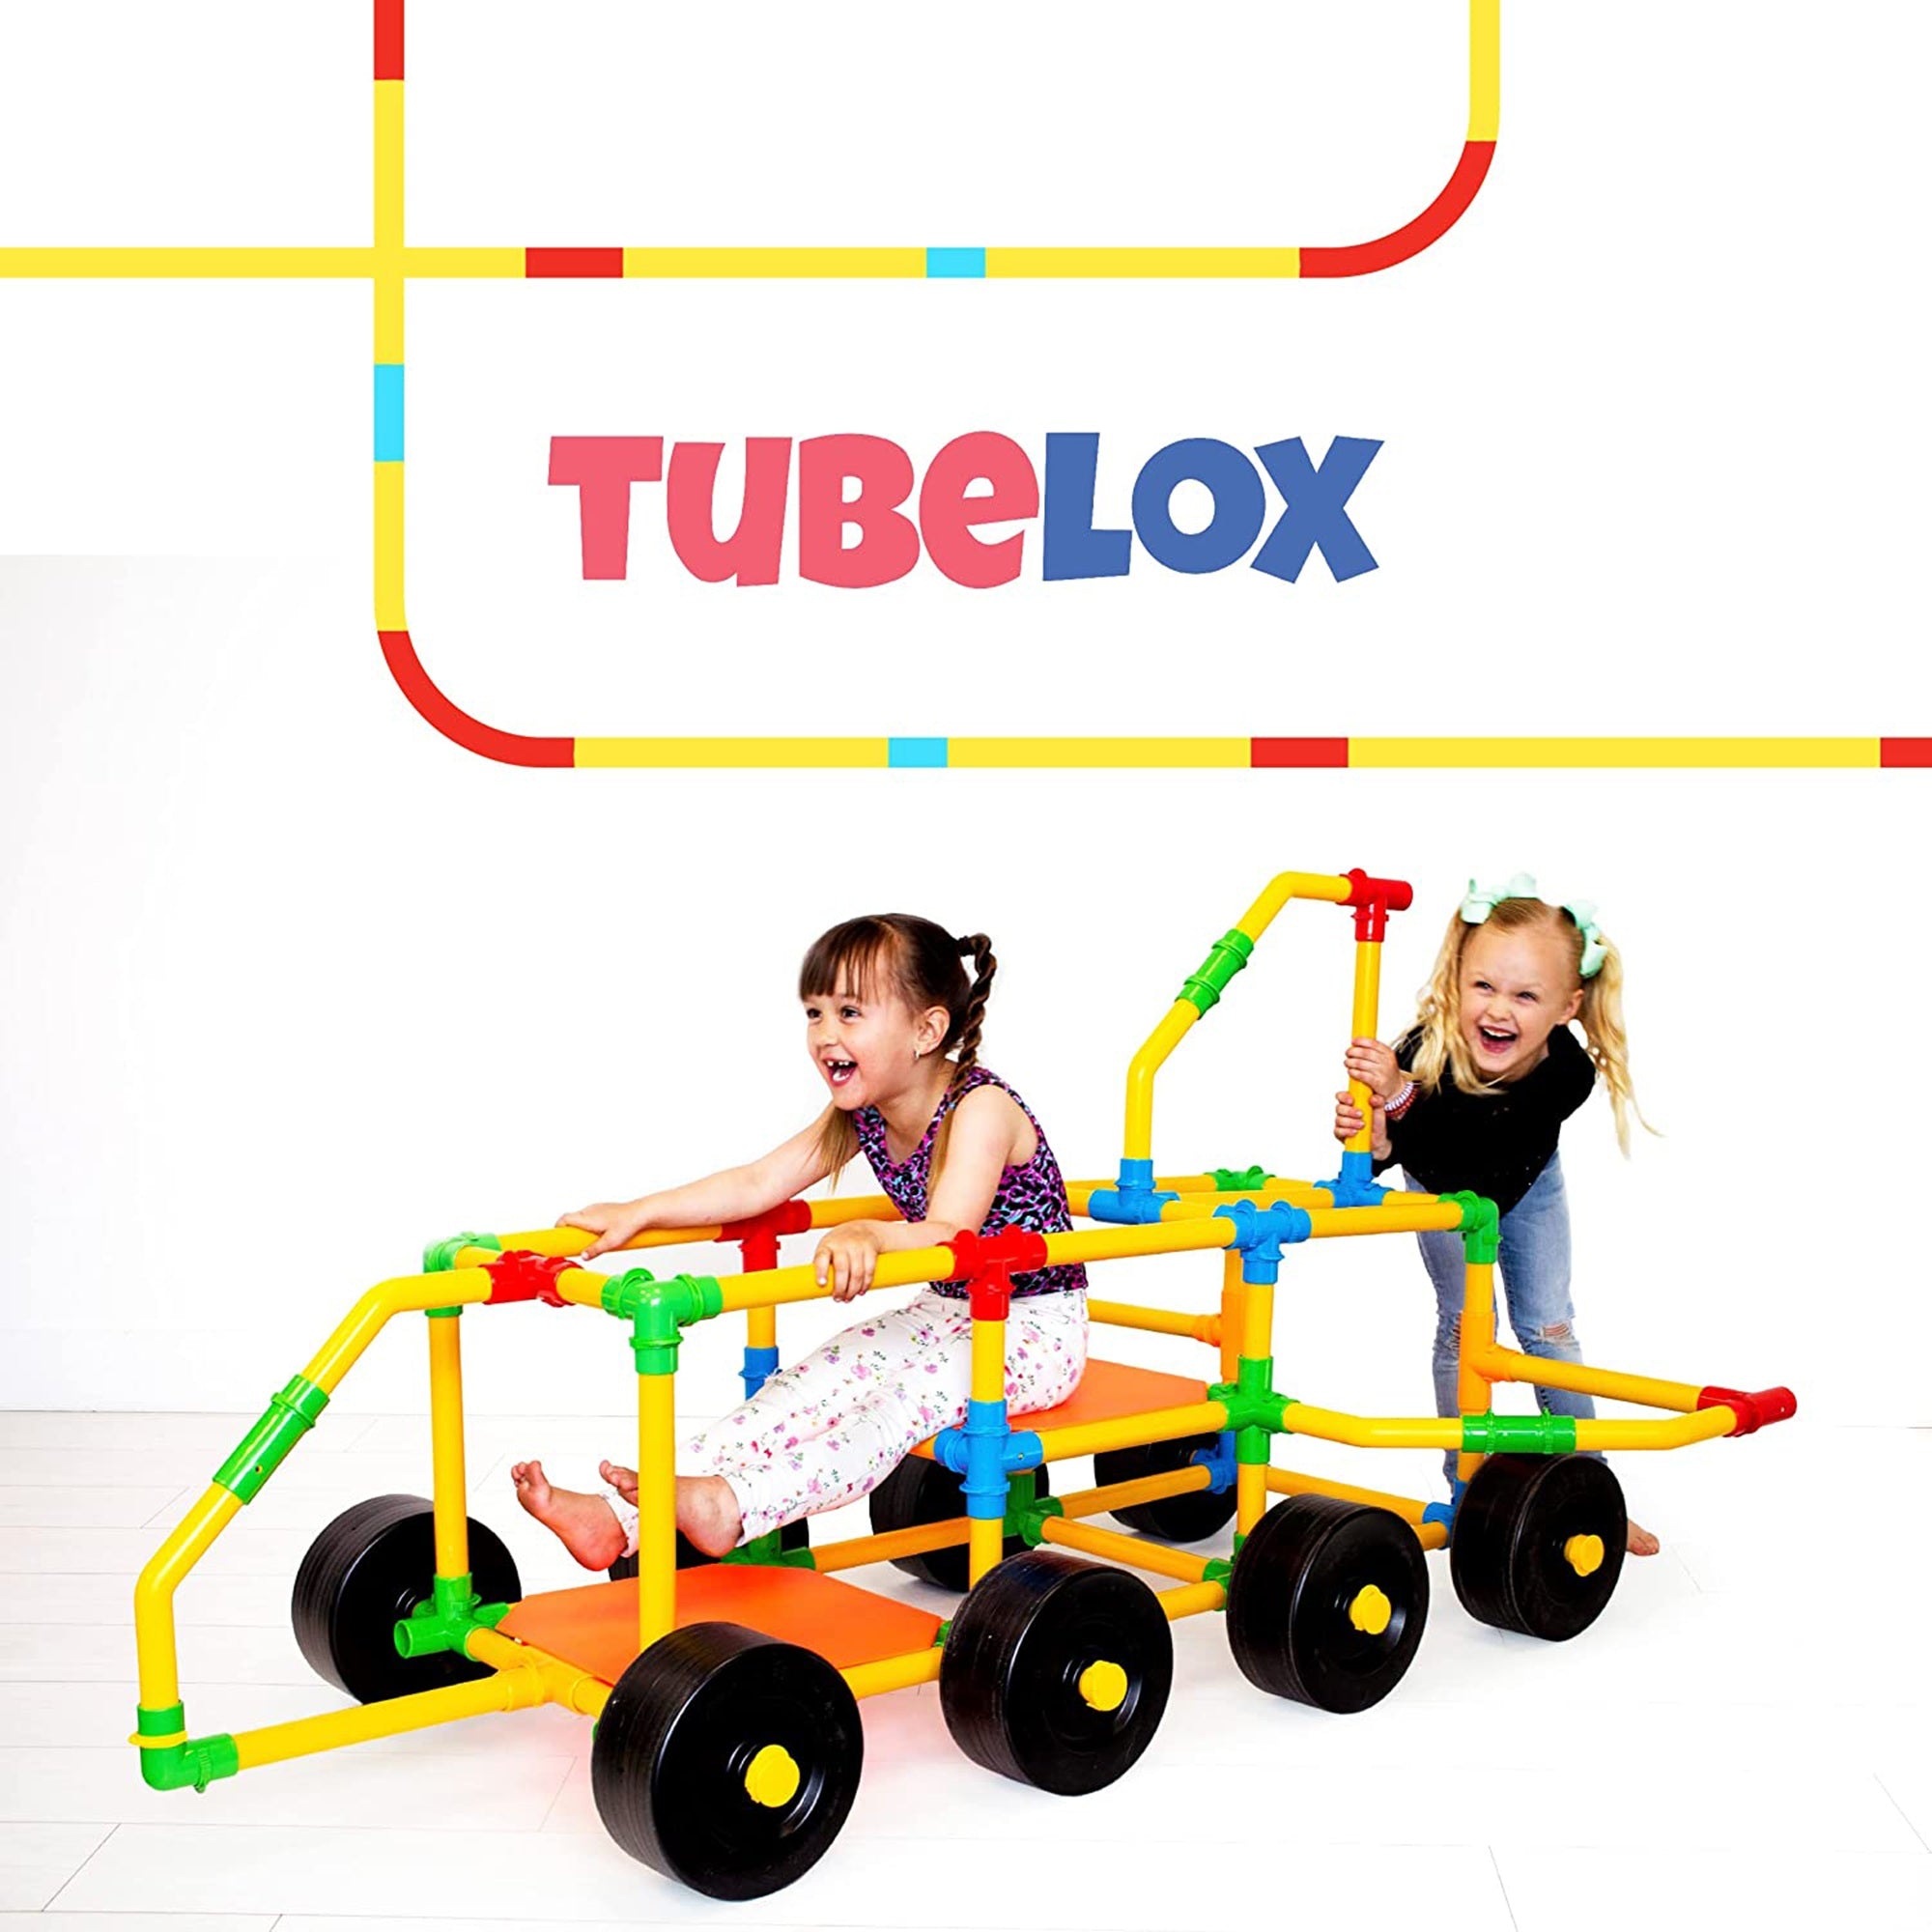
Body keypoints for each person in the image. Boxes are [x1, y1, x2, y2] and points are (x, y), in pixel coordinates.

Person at [511, 913, 1088, 1568]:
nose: (825, 1035)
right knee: (802, 1389)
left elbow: (948, 1236)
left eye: (850, 1013)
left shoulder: (980, 1107)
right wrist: (640, 1212)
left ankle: (733, 1504)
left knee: (891, 1408)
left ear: (927, 1031)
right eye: (814, 1013)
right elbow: (760, 1181)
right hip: (948, 1310)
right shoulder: (861, 1112)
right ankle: (617, 1517)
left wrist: (868, 1231)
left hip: (1033, 1328)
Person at [1331, 874, 1660, 1557]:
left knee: (1549, 1328)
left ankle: (1591, 1486)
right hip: (1443, 1195)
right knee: (1463, 1327)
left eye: (1525, 995)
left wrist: (1403, 1102)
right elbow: (1418, 1157)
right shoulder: (1424, 1047)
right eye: (1483, 986)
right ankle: (1467, 1485)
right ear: (1457, 979)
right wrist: (1378, 1135)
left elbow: (1487, 1147)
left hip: (1527, 1185)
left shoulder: (1567, 1071)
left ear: (1567, 1006)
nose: (1498, 1010)